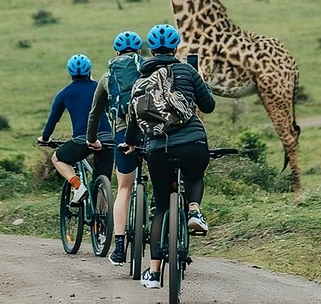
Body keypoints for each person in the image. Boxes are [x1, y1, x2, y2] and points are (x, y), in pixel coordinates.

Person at [121, 24, 216, 289]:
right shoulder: (187, 70)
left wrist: (129, 144)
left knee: (161, 205)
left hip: (157, 149)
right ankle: (194, 211)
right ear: (175, 48)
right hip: (193, 141)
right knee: (194, 174)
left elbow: (133, 123)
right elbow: (208, 105)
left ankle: (152, 272)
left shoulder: (140, 83)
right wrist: (199, 83)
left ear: (150, 50)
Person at [87, 31, 144, 266]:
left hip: (122, 133)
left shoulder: (107, 76)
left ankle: (119, 247)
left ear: (116, 52)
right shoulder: (147, 69)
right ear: (140, 51)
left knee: (124, 188)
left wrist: (92, 139)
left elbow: (95, 112)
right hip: (151, 131)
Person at [38, 54, 114, 205]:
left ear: (69, 72)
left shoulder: (65, 93)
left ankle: (77, 186)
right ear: (89, 70)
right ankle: (103, 223)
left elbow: (53, 120)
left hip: (82, 141)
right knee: (101, 184)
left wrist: (45, 138)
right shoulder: (100, 88)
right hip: (107, 140)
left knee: (57, 158)